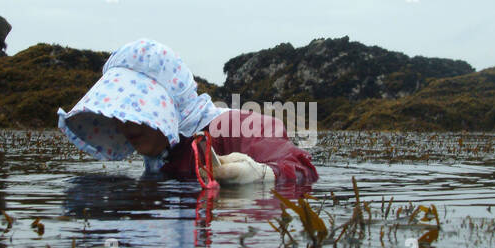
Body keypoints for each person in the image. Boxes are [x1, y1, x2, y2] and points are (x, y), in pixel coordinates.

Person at [57, 39, 317, 186]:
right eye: (120, 110)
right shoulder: (161, 151)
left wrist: (262, 175)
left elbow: (302, 169)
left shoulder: (240, 126)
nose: (125, 124)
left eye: (136, 110)